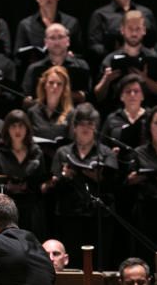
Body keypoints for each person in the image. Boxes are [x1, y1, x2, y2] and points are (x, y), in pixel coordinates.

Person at [46, 103, 119, 266]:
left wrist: (95, 176)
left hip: (99, 218)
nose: (85, 128)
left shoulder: (105, 152)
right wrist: (64, 177)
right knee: (72, 261)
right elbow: (53, 186)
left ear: (96, 127)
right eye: (81, 124)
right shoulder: (63, 152)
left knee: (99, 262)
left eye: (90, 124)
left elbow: (114, 185)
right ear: (74, 127)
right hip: (69, 216)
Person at [0, 110, 49, 239]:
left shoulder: (36, 152)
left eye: (21, 126)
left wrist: (29, 186)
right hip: (7, 208)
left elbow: (41, 180)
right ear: (7, 129)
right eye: (13, 126)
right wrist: (9, 188)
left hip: (32, 207)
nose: (17, 130)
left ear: (27, 128)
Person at [87, 0, 157, 61]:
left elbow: (156, 42)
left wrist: (146, 54)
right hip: (112, 63)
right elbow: (94, 45)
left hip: (143, 62)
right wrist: (114, 55)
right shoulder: (99, 14)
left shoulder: (146, 13)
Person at [14, 0, 82, 58]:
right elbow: (18, 57)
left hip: (64, 69)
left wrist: (72, 55)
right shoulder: (25, 25)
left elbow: (80, 54)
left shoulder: (71, 23)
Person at [21, 23, 90, 103]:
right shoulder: (34, 69)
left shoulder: (81, 66)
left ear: (68, 41)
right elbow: (25, 98)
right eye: (52, 38)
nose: (57, 42)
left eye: (60, 37)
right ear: (46, 42)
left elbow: (88, 97)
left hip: (73, 112)